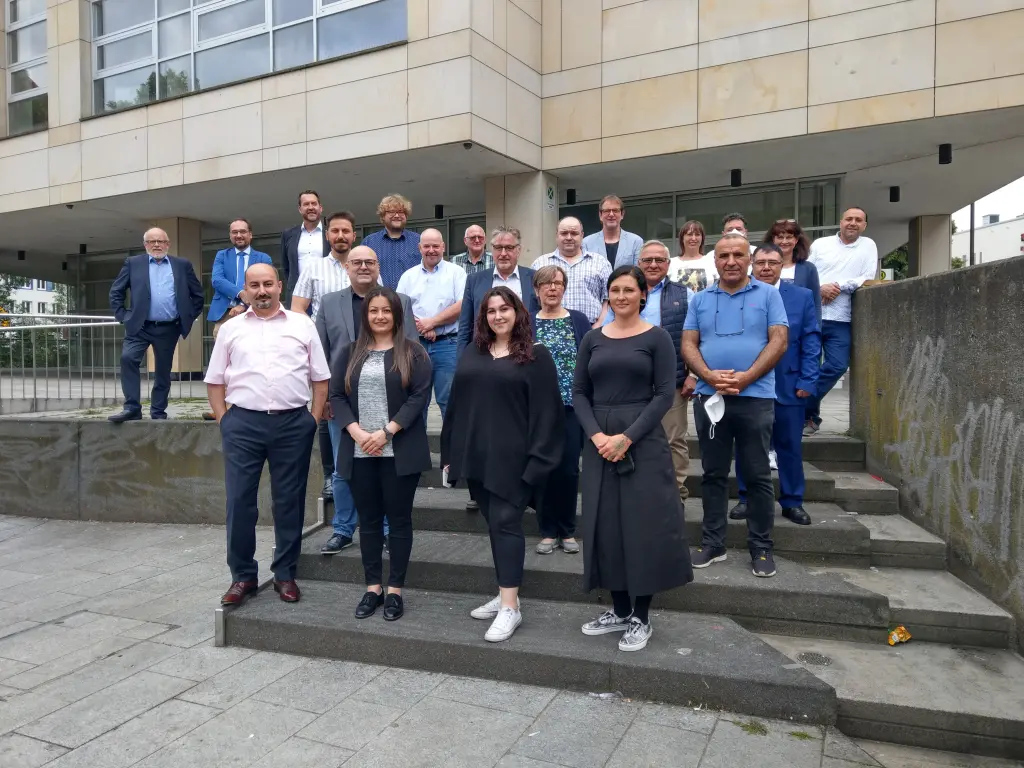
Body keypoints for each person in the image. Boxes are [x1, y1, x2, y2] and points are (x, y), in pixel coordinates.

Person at [574, 266, 693, 652]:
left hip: (641, 439)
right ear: (607, 295)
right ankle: (619, 610)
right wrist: (597, 436)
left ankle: (641, 616)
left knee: (642, 526)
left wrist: (626, 437)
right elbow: (579, 394)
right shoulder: (592, 339)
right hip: (599, 441)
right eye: (615, 290)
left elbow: (663, 395)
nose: (621, 296)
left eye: (629, 289)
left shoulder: (656, 337)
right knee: (605, 525)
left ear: (643, 294)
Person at [441, 287, 564, 643]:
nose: (498, 316)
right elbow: (456, 408)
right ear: (484, 317)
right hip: (478, 458)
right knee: (495, 524)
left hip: (517, 461)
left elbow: (548, 415)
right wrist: (450, 454)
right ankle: (505, 592)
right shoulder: (473, 353)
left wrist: (538, 464)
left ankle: (511, 607)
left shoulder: (535, 357)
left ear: (518, 313)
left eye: (505, 309)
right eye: (491, 310)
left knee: (507, 523)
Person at [208, 263, 330, 607]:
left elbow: (320, 378)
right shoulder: (231, 329)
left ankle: (285, 573)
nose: (261, 291)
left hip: (293, 424)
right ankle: (242, 576)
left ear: (279, 286)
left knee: (288, 502)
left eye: (267, 284)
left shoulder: (302, 324)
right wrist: (224, 421)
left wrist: (313, 419)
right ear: (245, 290)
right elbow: (215, 380)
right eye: (254, 285)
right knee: (239, 502)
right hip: (242, 424)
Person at [682, 233, 789, 578]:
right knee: (713, 474)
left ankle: (761, 547)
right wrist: (709, 376)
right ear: (715, 261)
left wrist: (746, 378)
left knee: (757, 475)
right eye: (724, 255)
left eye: (737, 255)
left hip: (755, 397)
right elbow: (688, 344)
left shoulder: (769, 294)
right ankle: (713, 543)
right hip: (710, 397)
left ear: (749, 259)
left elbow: (779, 340)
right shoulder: (699, 299)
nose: (730, 261)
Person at [330, 287, 432, 621]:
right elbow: (336, 396)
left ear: (397, 315)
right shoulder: (349, 352)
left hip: (398, 451)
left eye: (386, 311)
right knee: (369, 522)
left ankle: (396, 591)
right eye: (374, 310)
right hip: (360, 451)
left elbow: (419, 398)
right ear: (366, 315)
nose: (380, 316)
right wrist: (358, 433)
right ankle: (373, 587)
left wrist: (387, 431)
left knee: (399, 522)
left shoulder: (413, 353)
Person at [316, 246, 417, 556]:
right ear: (346, 267)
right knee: (343, 469)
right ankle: (343, 529)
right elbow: (319, 353)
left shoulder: (400, 302)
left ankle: (386, 530)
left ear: (378, 267)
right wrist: (323, 398)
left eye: (369, 262)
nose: (363, 267)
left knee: (388, 467)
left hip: (390, 399)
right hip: (342, 402)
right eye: (356, 262)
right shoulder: (330, 303)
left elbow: (410, 348)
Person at [730, 245, 820, 527]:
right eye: (760, 263)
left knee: (789, 446)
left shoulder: (801, 296)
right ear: (751, 266)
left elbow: (811, 339)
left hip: (789, 385)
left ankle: (792, 502)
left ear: (783, 266)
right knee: (747, 445)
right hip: (749, 384)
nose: (766, 267)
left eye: (772, 262)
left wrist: (807, 379)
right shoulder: (739, 294)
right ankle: (746, 498)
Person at [606, 242, 694, 507]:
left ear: (669, 264)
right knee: (637, 435)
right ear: (639, 263)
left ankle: (675, 493)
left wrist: (694, 375)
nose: (653, 264)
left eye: (659, 260)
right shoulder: (624, 292)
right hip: (632, 379)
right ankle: (643, 491)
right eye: (647, 260)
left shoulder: (685, 294)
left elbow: (694, 337)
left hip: (673, 377)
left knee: (674, 439)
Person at [107, 227, 204, 423]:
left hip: (169, 328)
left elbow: (198, 295)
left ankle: (158, 411)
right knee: (128, 359)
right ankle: (132, 407)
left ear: (168, 244)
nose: (157, 245)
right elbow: (116, 292)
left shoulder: (182, 265)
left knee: (163, 370)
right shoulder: (133, 264)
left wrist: (185, 317)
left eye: (161, 241)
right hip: (139, 327)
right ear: (145, 245)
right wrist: (124, 316)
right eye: (152, 242)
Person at [530, 265, 591, 556]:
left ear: (564, 288)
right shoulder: (526, 322)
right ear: (536, 290)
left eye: (557, 283)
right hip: (537, 412)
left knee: (567, 470)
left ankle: (567, 530)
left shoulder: (578, 320)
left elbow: (590, 361)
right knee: (543, 470)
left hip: (570, 408)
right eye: (546, 284)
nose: (552, 288)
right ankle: (546, 530)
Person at [805, 206, 878, 436]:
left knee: (837, 365)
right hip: (814, 315)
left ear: (864, 225)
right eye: (849, 219)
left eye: (858, 220)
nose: (853, 223)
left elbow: (866, 277)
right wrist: (820, 288)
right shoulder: (820, 245)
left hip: (841, 318)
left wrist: (836, 287)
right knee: (808, 367)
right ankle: (810, 419)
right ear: (841, 222)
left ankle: (802, 403)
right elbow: (806, 274)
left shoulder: (868, 246)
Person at [203, 220, 274, 421]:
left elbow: (265, 286)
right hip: (225, 313)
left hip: (254, 311)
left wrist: (245, 304)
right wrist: (241, 293)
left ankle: (241, 403)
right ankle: (220, 406)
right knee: (222, 361)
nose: (238, 235)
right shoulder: (221, 256)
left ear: (250, 234)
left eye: (243, 231)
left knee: (249, 358)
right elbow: (217, 280)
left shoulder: (263, 257)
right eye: (234, 232)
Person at [396, 228, 466, 421]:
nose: (431, 250)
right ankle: (418, 451)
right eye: (427, 246)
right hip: (416, 347)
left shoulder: (456, 273)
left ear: (443, 247)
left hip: (448, 345)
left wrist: (432, 323)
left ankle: (453, 450)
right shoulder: (408, 277)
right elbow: (400, 310)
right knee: (417, 401)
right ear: (420, 248)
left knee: (450, 400)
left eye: (436, 246)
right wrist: (423, 328)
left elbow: (462, 305)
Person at [458, 226, 539, 355]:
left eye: (509, 248)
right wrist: (461, 363)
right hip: (485, 354)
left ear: (518, 250)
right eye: (498, 248)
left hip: (526, 352)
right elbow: (465, 326)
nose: (503, 253)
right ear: (492, 250)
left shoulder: (534, 278)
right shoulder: (474, 281)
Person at [532, 217, 612, 326]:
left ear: (582, 235)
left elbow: (608, 301)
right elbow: (533, 300)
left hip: (591, 328)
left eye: (574, 233)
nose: (569, 237)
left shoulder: (601, 263)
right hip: (548, 329)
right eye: (564, 233)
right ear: (557, 235)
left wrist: (597, 328)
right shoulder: (539, 264)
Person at [290, 211, 359, 320]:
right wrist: (315, 331)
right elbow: (296, 308)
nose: (340, 236)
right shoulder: (312, 268)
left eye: (345, 231)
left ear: (354, 236)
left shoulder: (367, 268)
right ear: (327, 235)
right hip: (322, 336)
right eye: (335, 231)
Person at [764, 219, 821, 324]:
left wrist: (816, 331)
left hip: (799, 327)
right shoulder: (761, 267)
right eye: (780, 237)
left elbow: (816, 304)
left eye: (789, 237)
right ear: (773, 239)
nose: (784, 241)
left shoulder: (809, 269)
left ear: (796, 240)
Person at [361, 194, 421, 289]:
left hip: (412, 299)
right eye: (392, 212)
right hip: (378, 299)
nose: (397, 215)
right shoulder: (369, 242)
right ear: (383, 216)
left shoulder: (419, 241)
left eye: (401, 212)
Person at [281, 190, 330, 298]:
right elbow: (286, 267)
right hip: (297, 295)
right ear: (300, 209)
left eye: (314, 203)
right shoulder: (288, 234)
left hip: (326, 294)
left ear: (320, 208)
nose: (311, 207)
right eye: (306, 204)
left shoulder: (330, 233)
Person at [581, 194, 643, 269]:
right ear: (600, 215)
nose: (611, 214)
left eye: (615, 210)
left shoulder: (635, 241)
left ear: (622, 214)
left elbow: (638, 272)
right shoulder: (586, 243)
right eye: (606, 211)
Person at [668, 220, 718, 292]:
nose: (693, 238)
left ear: (702, 238)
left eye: (697, 235)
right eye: (689, 234)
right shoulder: (671, 263)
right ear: (682, 238)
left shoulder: (711, 261)